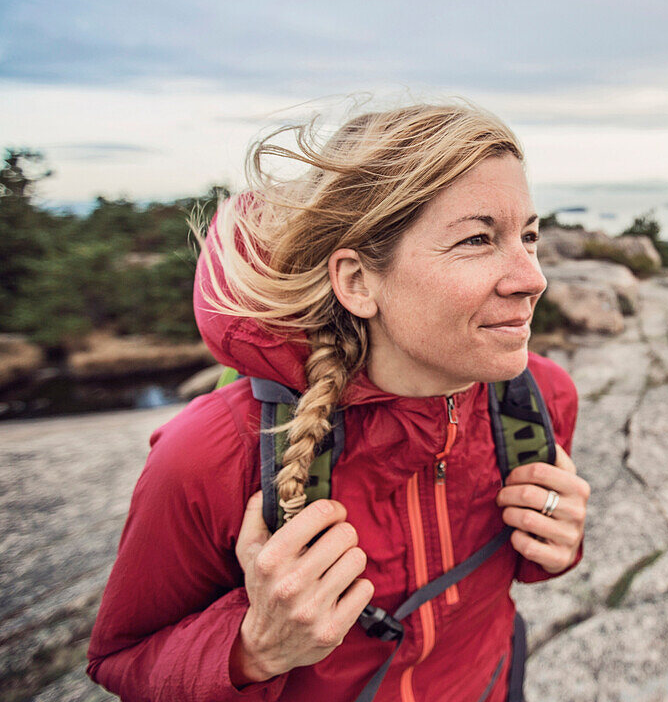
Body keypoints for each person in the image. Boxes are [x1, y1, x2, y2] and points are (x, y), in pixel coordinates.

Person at [86, 102, 588, 702]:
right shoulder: (211, 456)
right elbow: (121, 659)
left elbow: (518, 570)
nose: (532, 277)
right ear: (356, 281)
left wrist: (556, 543)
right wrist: (252, 649)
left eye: (528, 235)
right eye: (478, 238)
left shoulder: (540, 397)